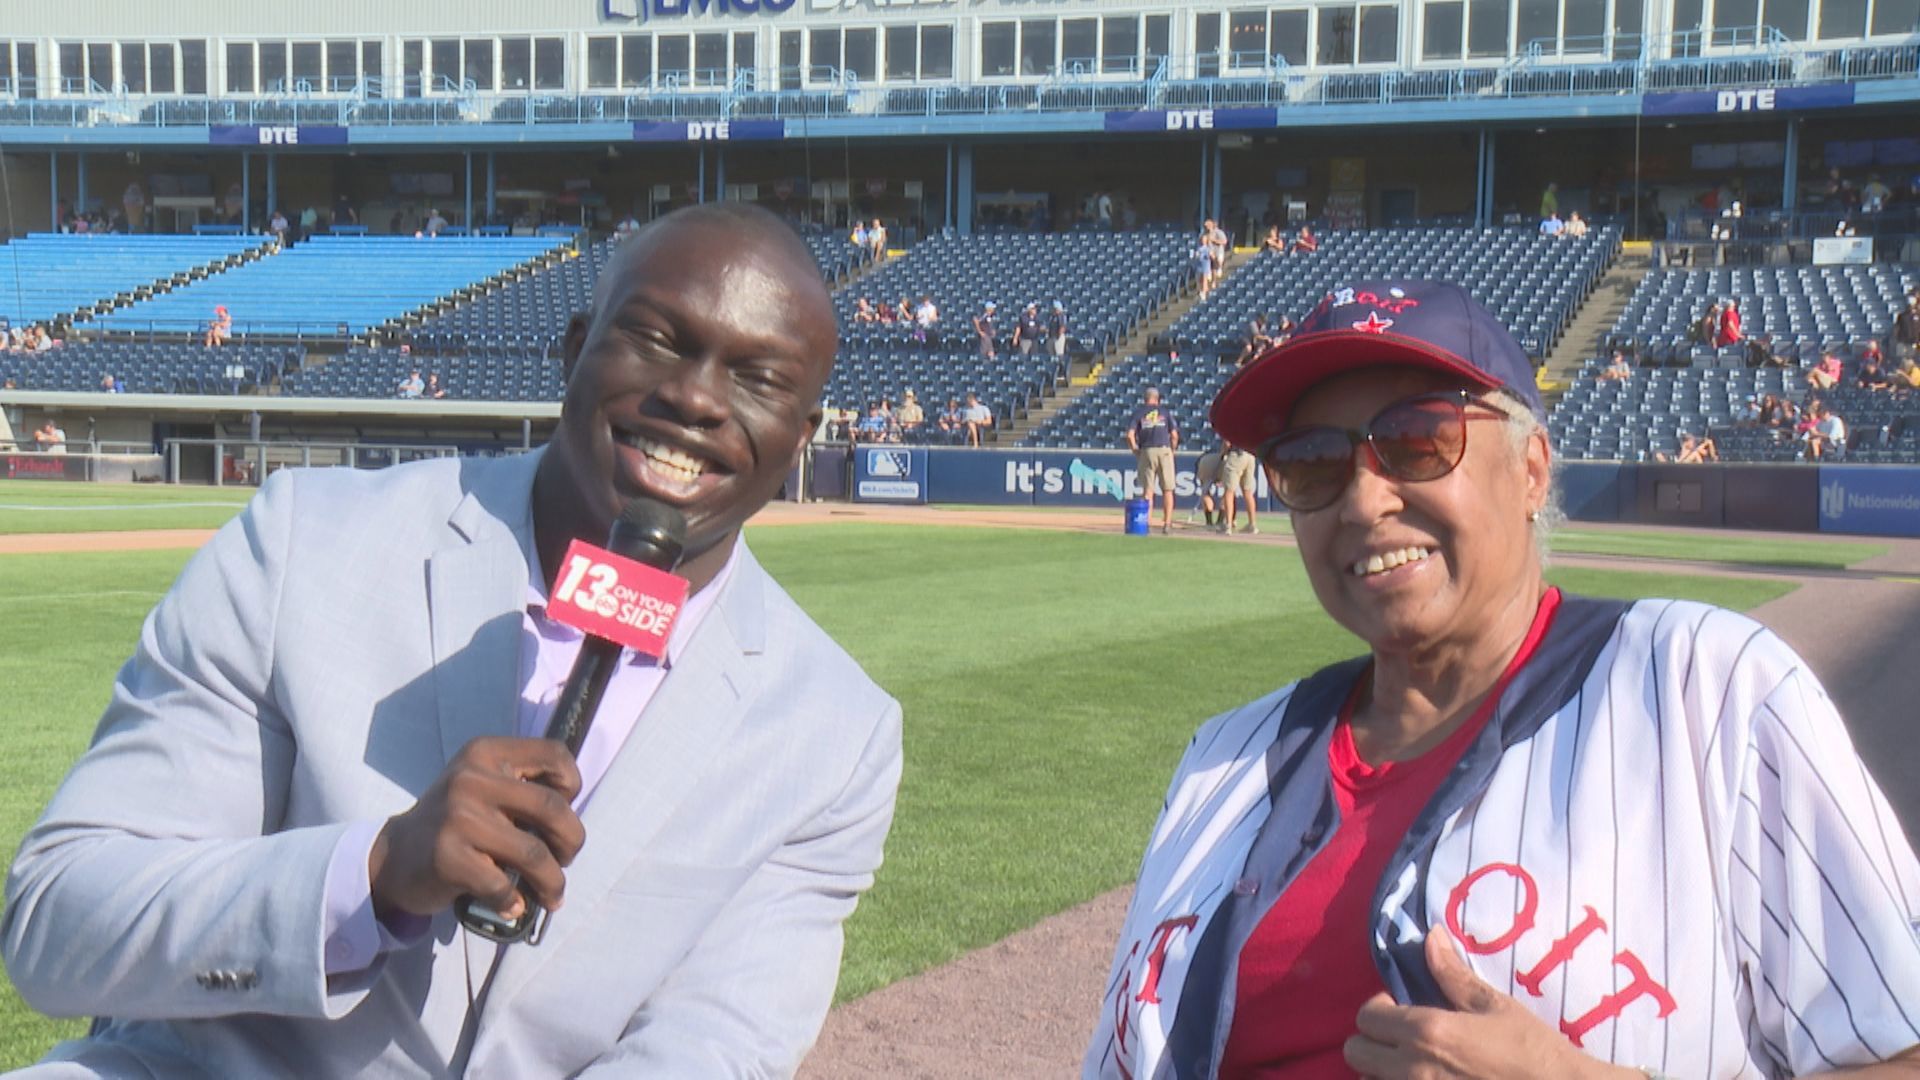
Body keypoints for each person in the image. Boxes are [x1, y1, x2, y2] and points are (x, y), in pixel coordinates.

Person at [2, 203, 904, 1078]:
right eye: (659, 340)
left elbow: (712, 1047)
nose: (694, 397)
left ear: (802, 440)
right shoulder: (303, 545)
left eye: (759, 379)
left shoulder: (834, 736)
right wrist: (374, 873)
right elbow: (58, 920)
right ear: (574, 349)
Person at [1086, 278, 1920, 1079]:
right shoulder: (1219, 761)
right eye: (1311, 463)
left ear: (1530, 471)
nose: (1362, 500)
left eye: (1417, 442)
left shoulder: (1706, 687)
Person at [1126, 386, 1179, 535]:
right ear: (1157, 399)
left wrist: (1135, 450)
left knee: (1147, 490)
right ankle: (1167, 524)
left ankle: (1146, 524)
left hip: (1147, 450)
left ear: (1145, 399)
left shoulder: (1139, 413)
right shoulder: (1165, 412)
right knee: (1168, 489)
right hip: (1164, 450)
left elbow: (1130, 435)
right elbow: (1174, 435)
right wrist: (1172, 451)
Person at [1216, 441, 1258, 535]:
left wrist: (1223, 453)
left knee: (1229, 491)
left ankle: (1228, 525)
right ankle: (1252, 524)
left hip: (1236, 454)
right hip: (1250, 455)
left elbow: (1227, 442)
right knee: (1248, 491)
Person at [1188, 444, 1224, 528]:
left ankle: (1209, 522)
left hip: (1206, 458)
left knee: (1205, 492)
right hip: (1223, 459)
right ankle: (1220, 521)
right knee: (1228, 492)